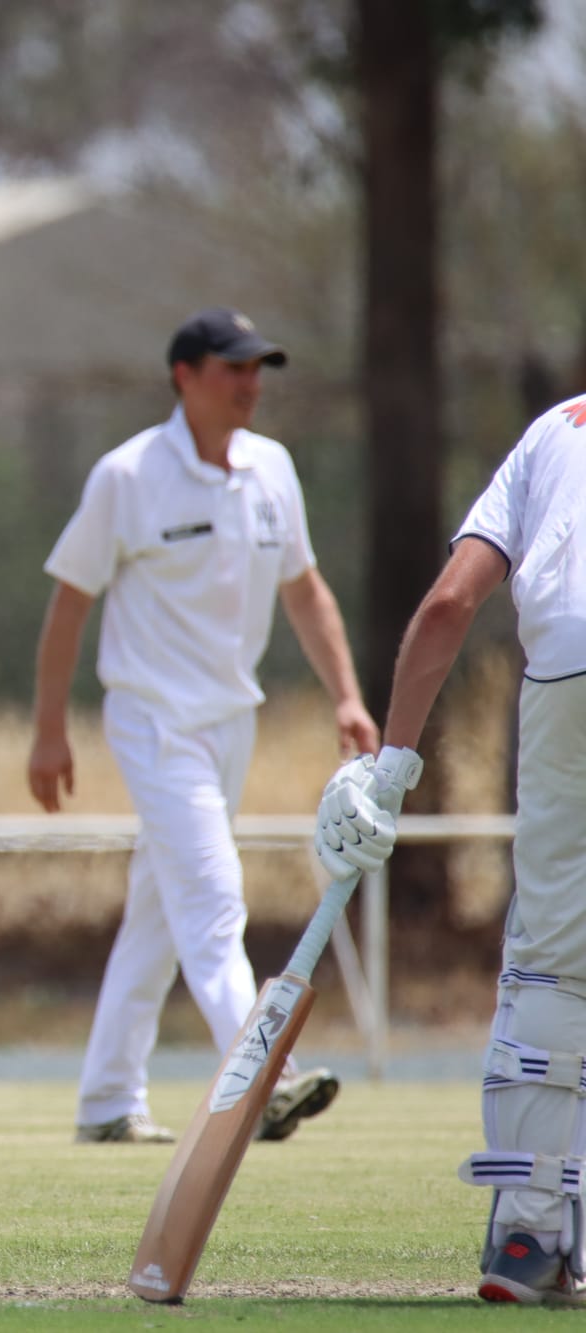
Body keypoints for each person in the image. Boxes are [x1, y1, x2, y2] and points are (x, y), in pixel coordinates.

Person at [27, 307, 378, 1145]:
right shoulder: (128, 475)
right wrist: (48, 728)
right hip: (152, 720)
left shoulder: (273, 470)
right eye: (233, 369)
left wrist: (347, 695)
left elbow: (305, 589)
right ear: (184, 375)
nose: (250, 384)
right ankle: (265, 1075)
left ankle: (108, 1101)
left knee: (160, 910)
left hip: (230, 721)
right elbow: (70, 600)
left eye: (258, 369)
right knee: (215, 899)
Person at [314, 393, 586, 1306]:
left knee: (553, 963)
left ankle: (529, 1234)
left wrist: (390, 765)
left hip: (566, 676)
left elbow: (448, 602)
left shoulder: (556, 430)